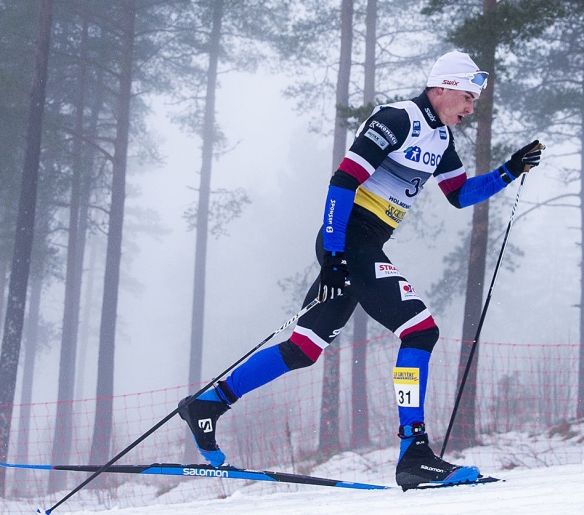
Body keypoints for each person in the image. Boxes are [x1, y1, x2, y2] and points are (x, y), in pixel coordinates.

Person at [177, 50, 544, 489]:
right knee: (420, 331)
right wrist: (335, 256)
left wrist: (510, 170)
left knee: (303, 348)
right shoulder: (397, 119)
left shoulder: (441, 139)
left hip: (363, 245)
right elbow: (344, 180)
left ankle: (209, 405)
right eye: (467, 97)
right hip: (349, 239)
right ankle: (414, 452)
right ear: (443, 87)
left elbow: (460, 195)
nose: (470, 108)